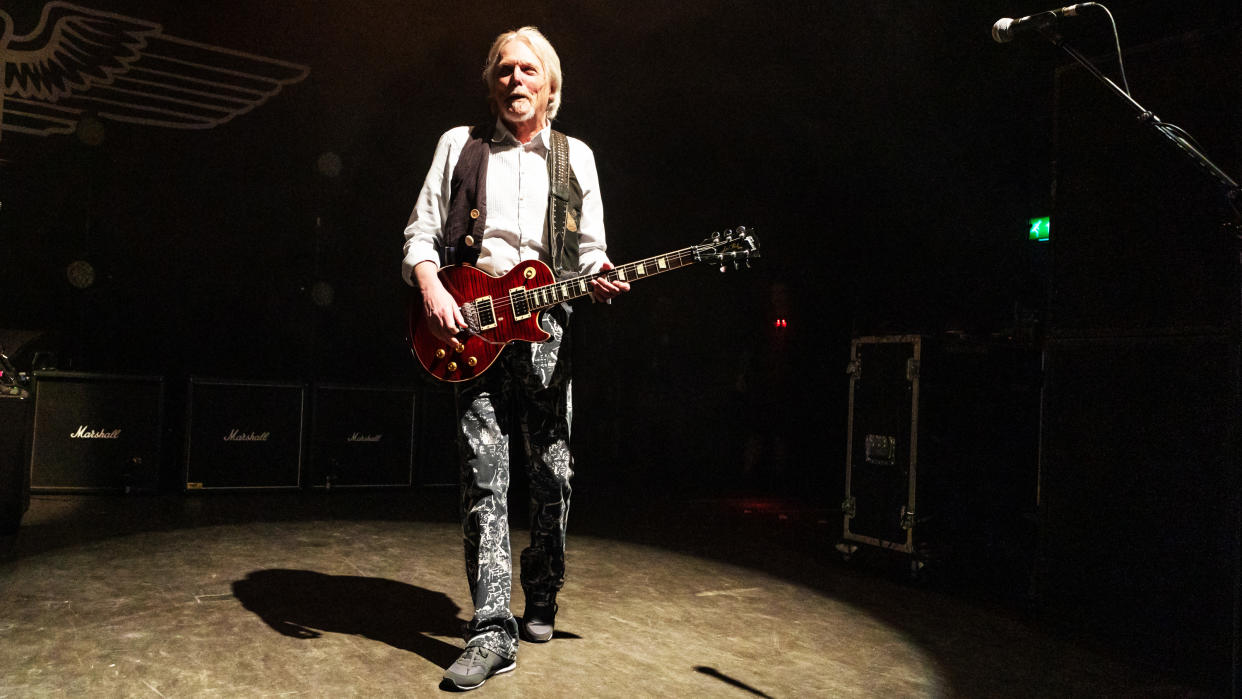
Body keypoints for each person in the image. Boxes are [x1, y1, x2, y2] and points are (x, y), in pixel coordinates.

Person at [401, 26, 629, 691]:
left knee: (553, 475)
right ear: (490, 81)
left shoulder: (574, 156)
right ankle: (491, 625)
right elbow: (420, 228)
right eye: (503, 69)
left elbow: (590, 252)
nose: (515, 79)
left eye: (528, 69)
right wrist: (432, 286)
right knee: (484, 475)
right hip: (470, 327)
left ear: (549, 85)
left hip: (545, 333)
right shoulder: (459, 145)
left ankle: (544, 587)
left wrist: (601, 273)